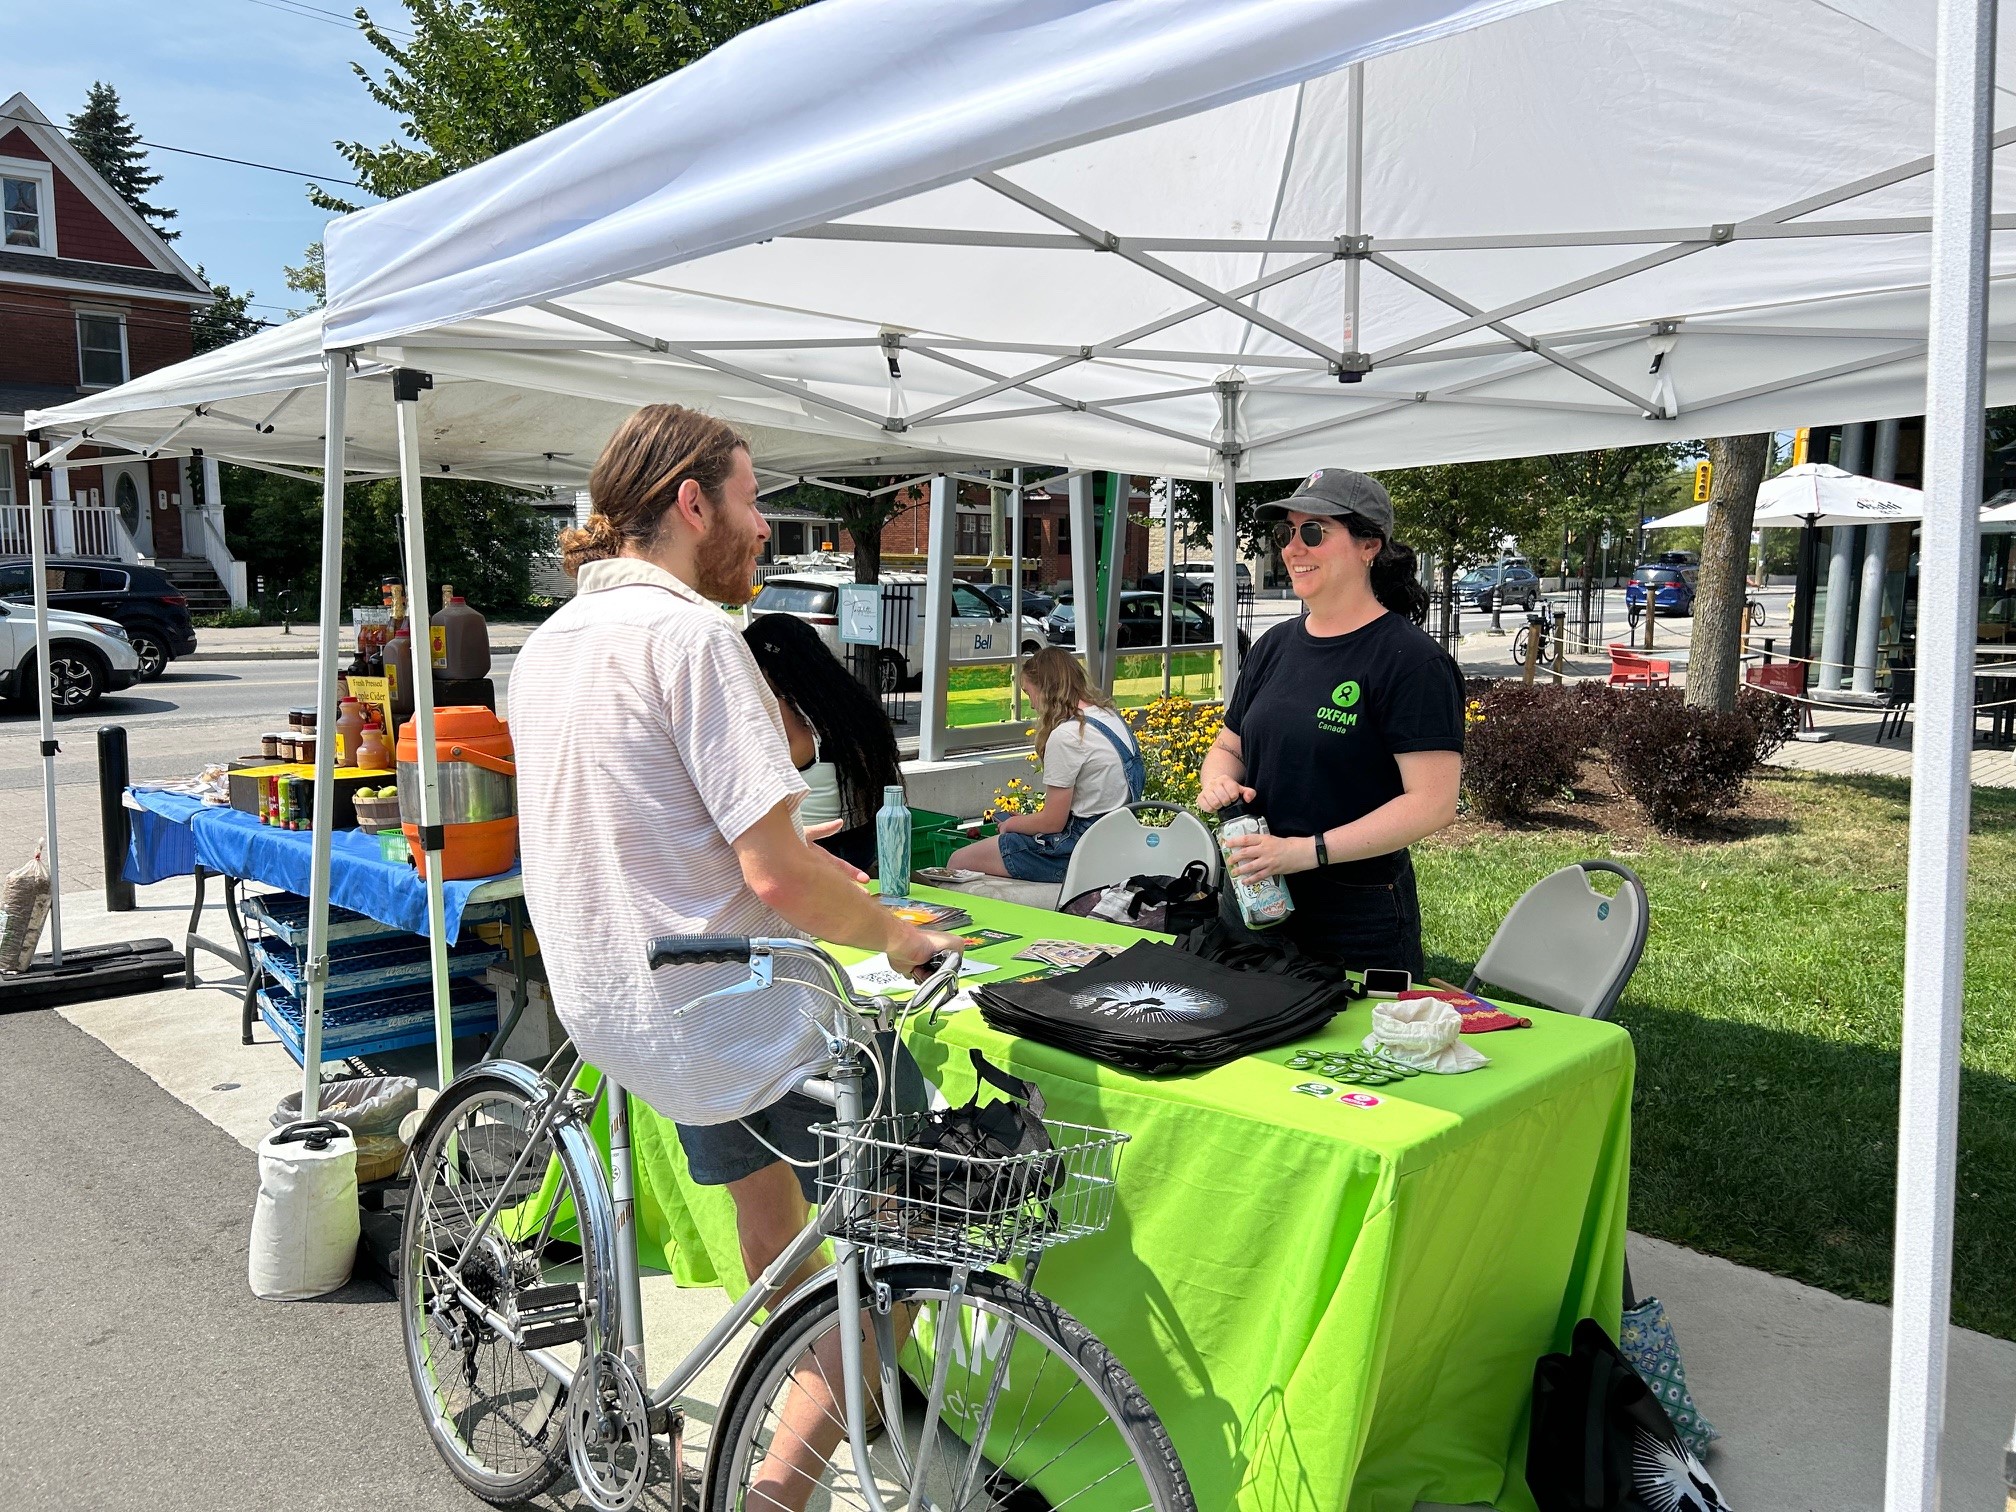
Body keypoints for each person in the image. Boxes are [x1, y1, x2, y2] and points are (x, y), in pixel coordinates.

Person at [509, 405, 959, 1511]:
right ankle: (775, 1490)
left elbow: (654, 822)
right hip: (733, 1015)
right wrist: (900, 936)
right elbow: (772, 881)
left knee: (779, 1229)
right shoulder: (697, 638)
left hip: (621, 1005)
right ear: (692, 502)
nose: (766, 530)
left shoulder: (554, 640)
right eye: (755, 502)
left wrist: (813, 871)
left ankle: (792, 1381)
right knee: (919, 1226)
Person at [1196, 467, 1463, 977]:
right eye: (1286, 533)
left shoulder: (1410, 661)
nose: (1293, 548)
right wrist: (1218, 782)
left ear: (1369, 546)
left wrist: (1305, 852)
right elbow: (1229, 747)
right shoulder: (1274, 646)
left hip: (1354, 911)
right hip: (1252, 892)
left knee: (1348, 1053)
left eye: (1313, 531)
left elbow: (1432, 804)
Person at [949, 645, 1142, 883]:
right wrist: (1023, 823)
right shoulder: (1110, 717)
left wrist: (1011, 826)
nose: (1031, 704)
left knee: (958, 862)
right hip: (1114, 842)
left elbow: (1052, 822)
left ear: (1045, 690)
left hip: (1078, 852)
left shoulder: (1069, 735)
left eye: (1028, 692)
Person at [743, 611, 904, 875]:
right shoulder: (847, 703)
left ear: (766, 666)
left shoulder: (781, 710)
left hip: (810, 851)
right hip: (859, 845)